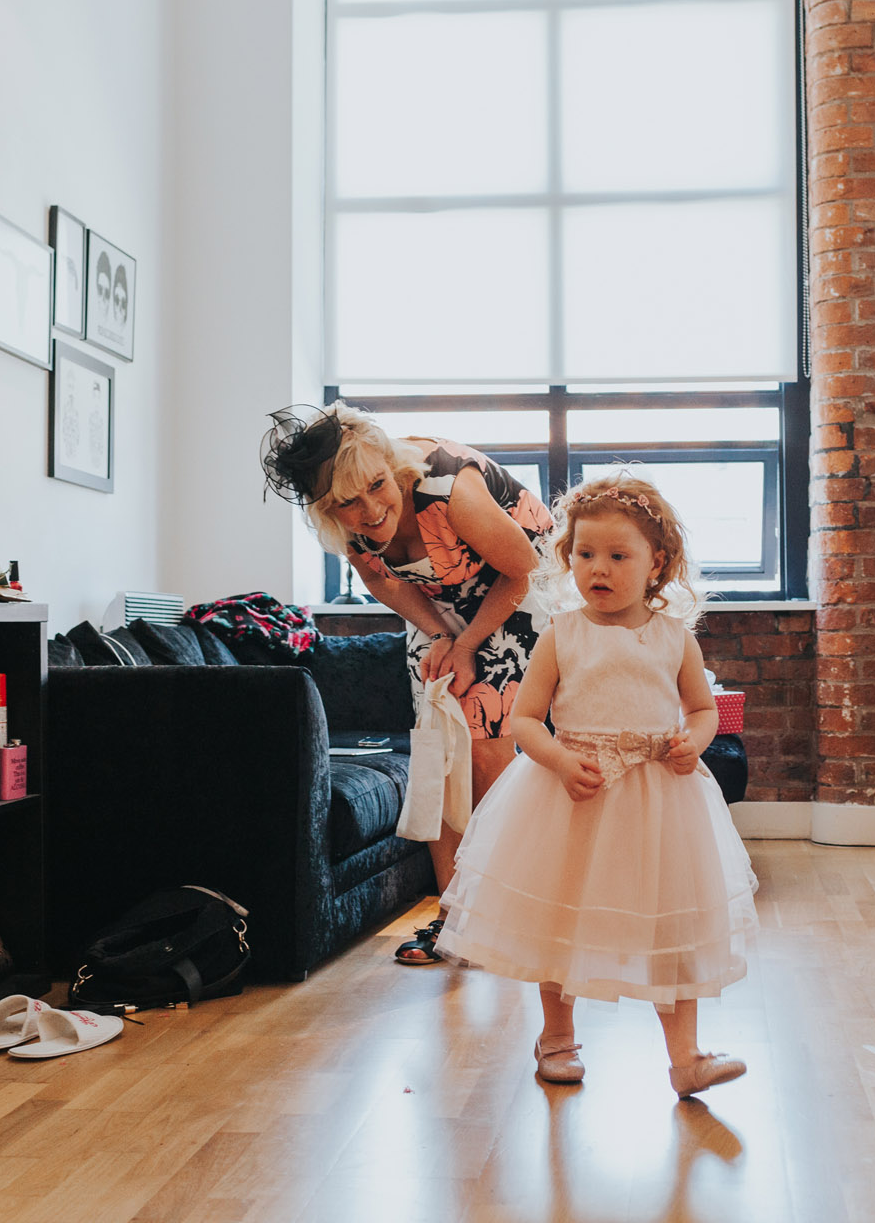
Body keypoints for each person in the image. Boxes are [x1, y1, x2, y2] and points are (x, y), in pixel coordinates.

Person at [434, 472, 759, 1098]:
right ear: (568, 558)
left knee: (672, 924)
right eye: (585, 555)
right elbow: (525, 719)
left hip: (660, 796)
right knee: (560, 915)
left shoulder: (674, 637)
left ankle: (686, 1056)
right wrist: (557, 760)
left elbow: (701, 708)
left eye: (617, 556)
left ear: (655, 563)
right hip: (573, 793)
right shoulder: (562, 635)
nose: (598, 569)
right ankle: (557, 1036)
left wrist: (695, 738)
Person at [262, 402, 554, 964]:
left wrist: (469, 646)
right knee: (439, 752)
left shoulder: (447, 490)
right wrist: (442, 636)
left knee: (487, 747)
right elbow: (387, 586)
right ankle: (453, 915)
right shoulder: (347, 526)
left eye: (377, 487)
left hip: (519, 591)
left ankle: (502, 914)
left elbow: (524, 567)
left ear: (388, 465)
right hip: (440, 605)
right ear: (327, 508)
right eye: (348, 503)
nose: (371, 510)